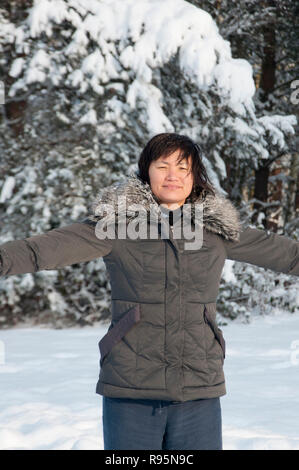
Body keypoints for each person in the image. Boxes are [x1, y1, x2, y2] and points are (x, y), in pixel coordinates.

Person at [0, 133, 298, 450]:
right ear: (147, 172)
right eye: (163, 165)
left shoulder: (216, 230)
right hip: (131, 389)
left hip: (198, 387)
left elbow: (288, 255)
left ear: (195, 176)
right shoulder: (115, 226)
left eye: (183, 167)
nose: (173, 175)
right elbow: (39, 251)